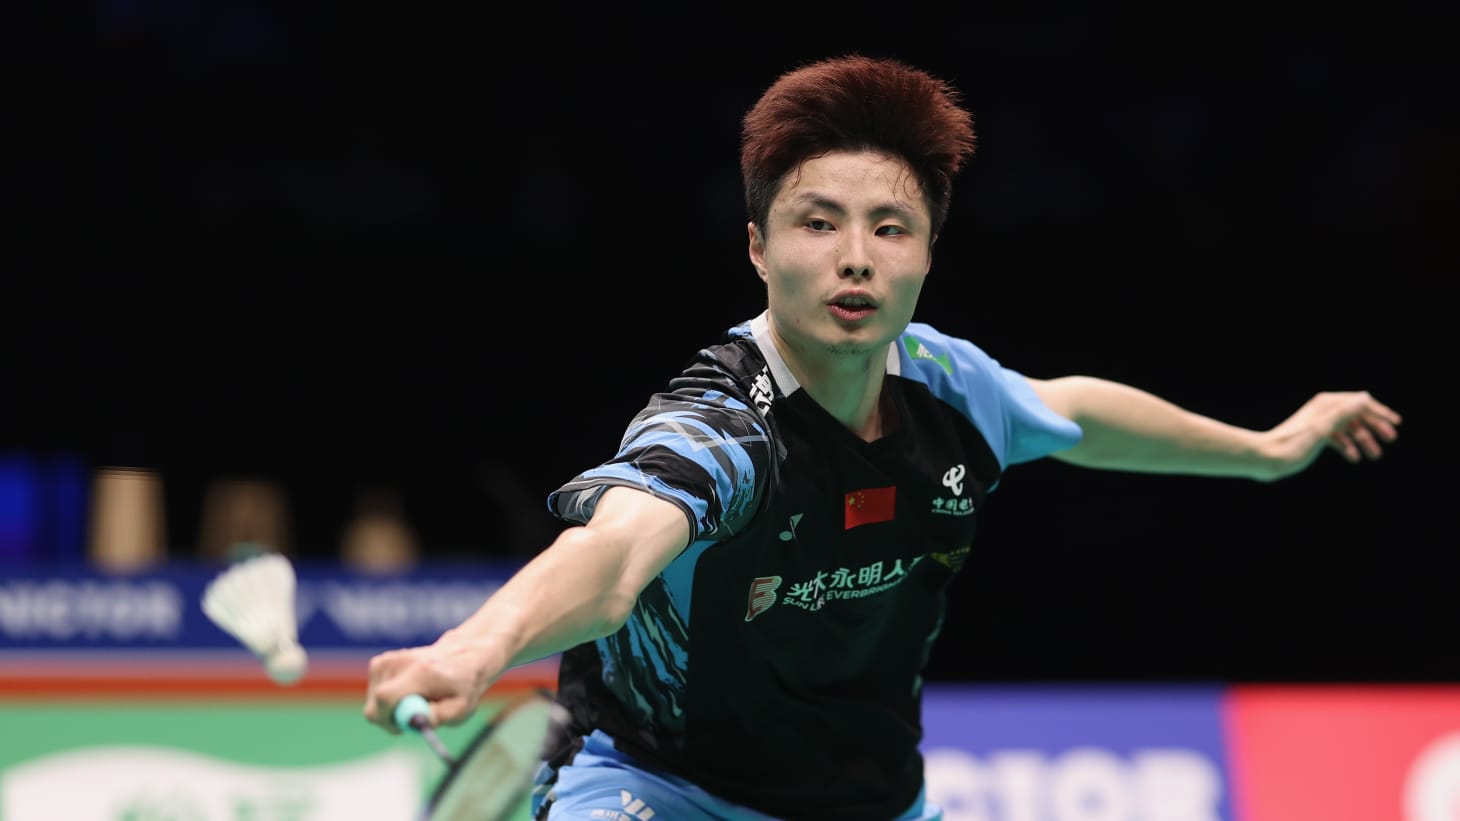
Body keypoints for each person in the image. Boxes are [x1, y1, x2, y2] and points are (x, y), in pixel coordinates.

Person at [362, 54, 1402, 820]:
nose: (854, 257)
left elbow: (1071, 411)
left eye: (888, 228)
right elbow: (612, 555)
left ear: (928, 253)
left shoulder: (950, 388)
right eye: (818, 223)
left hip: (868, 799)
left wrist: (1265, 448)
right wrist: (473, 649)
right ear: (759, 248)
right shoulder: (724, 425)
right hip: (659, 782)